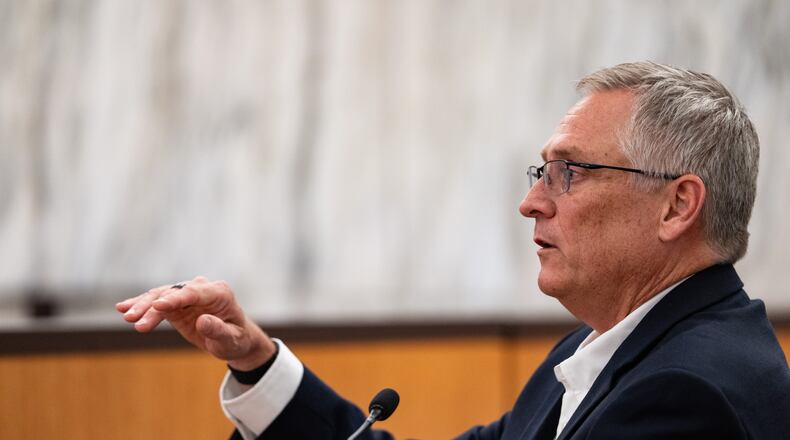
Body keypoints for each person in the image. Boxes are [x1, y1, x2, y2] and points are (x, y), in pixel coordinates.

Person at [117, 61, 790, 439]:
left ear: (677, 206)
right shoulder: (604, 348)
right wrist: (256, 362)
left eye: (570, 173)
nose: (532, 202)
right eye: (542, 171)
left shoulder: (687, 393)